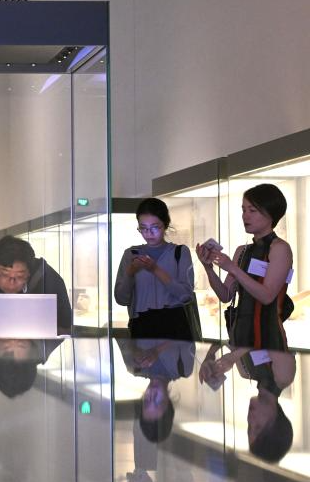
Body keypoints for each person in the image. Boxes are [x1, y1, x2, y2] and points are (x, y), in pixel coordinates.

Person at [198, 183, 293, 350]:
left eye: (252, 210)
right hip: (240, 336)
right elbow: (226, 295)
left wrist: (232, 268)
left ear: (270, 213)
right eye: (243, 210)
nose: (245, 216)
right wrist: (208, 268)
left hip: (269, 338)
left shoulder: (280, 248)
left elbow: (267, 296)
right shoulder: (242, 251)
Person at [0, 235, 73, 334]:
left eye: (19, 276)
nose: (11, 283)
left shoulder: (49, 280)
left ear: (29, 273)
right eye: (4, 275)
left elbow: (65, 328)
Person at [113, 198, 196, 339]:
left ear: (165, 225)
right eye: (143, 228)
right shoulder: (131, 254)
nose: (148, 233)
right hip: (141, 325)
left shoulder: (180, 252)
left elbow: (186, 295)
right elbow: (121, 299)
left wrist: (155, 269)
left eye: (155, 227)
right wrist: (130, 272)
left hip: (174, 326)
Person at [200, 342, 295, 463]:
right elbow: (271, 338)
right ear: (275, 420)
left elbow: (230, 338)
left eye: (249, 427)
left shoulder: (245, 372)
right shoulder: (284, 376)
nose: (250, 419)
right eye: (258, 426)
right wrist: (233, 357)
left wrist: (210, 357)